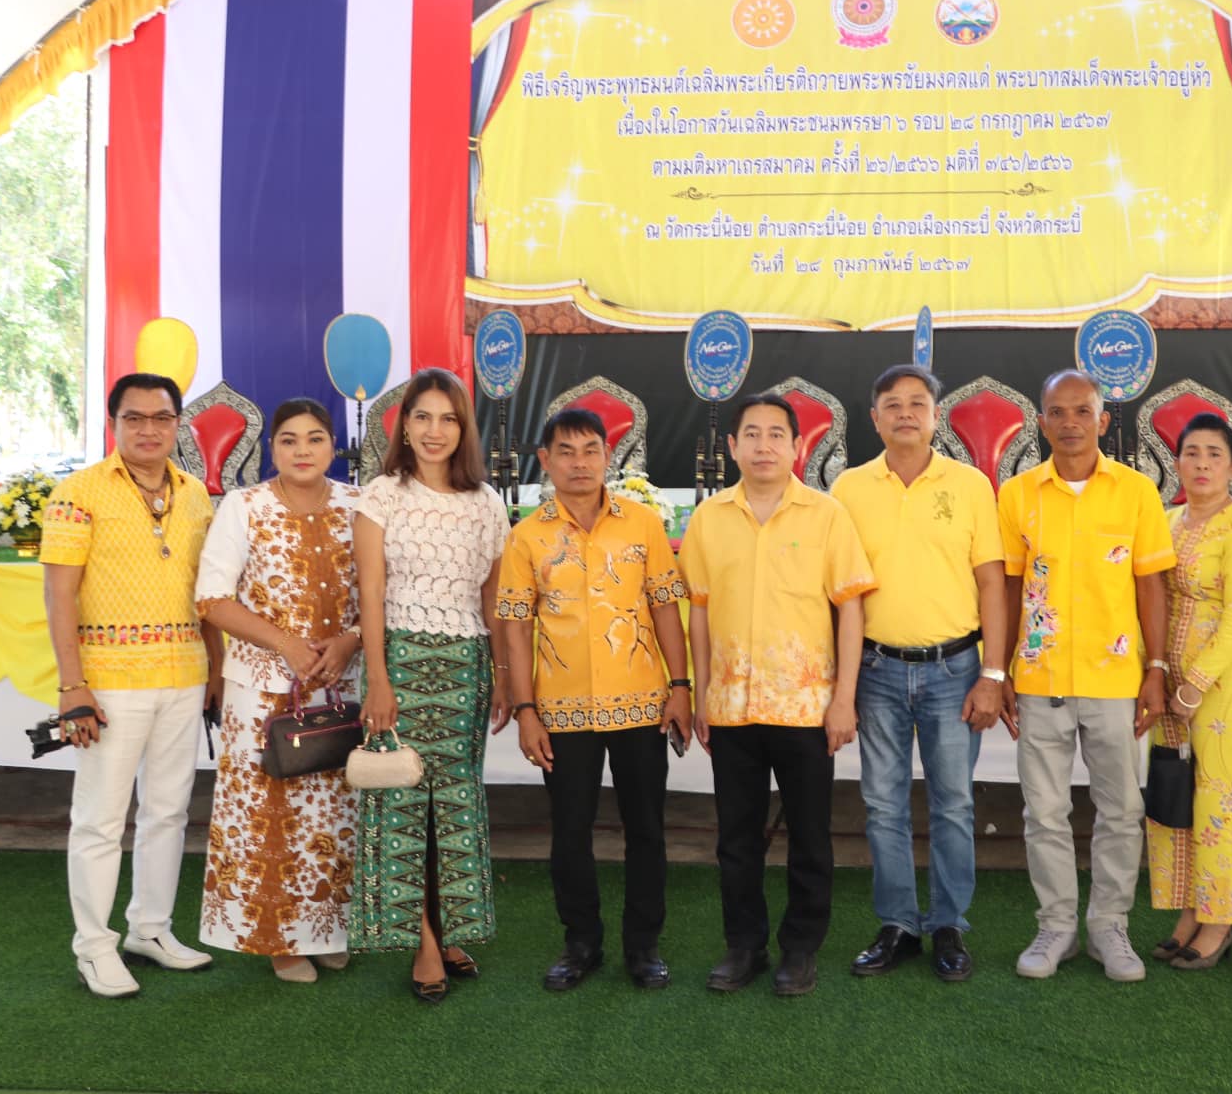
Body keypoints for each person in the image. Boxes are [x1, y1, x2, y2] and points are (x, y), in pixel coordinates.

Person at [681, 393, 876, 997]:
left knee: (811, 838)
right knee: (735, 838)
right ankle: (744, 946)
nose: (763, 445)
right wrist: (701, 693)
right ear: (731, 446)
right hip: (732, 709)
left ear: (797, 446)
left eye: (776, 434)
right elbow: (701, 614)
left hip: (805, 708)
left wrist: (844, 699)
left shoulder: (826, 515)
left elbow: (851, 610)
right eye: (751, 434)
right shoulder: (710, 518)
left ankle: (800, 948)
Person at [497, 407, 691, 992]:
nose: (578, 462)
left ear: (608, 456)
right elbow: (514, 624)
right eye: (566, 451)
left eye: (589, 450)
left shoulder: (643, 524)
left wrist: (679, 688)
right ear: (545, 461)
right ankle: (580, 942)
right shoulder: (527, 536)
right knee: (570, 831)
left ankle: (643, 944)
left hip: (642, 704)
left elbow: (664, 607)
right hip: (562, 712)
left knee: (647, 829)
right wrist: (526, 711)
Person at [42, 372, 221, 998]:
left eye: (162, 417)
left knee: (169, 811)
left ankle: (150, 927)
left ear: (178, 423)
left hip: (184, 676)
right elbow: (58, 594)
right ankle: (93, 947)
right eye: (135, 418)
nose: (149, 429)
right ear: (113, 422)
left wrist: (215, 671)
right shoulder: (77, 493)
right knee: (99, 818)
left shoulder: (197, 494)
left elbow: (209, 593)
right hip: (107, 683)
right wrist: (72, 689)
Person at [831, 365, 1010, 983]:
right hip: (876, 670)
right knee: (882, 805)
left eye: (917, 403)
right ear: (874, 417)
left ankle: (949, 925)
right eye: (891, 404)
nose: (905, 413)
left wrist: (993, 672)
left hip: (955, 670)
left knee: (954, 804)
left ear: (937, 416)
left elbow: (992, 582)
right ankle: (899, 923)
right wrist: (843, 683)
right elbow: (839, 593)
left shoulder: (970, 486)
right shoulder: (848, 489)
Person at [1000, 369, 1174, 984]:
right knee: (1043, 813)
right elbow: (1011, 586)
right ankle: (1056, 927)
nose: (1069, 422)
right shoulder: (1017, 494)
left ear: (1103, 421)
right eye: (1056, 411)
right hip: (1040, 677)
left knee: (1121, 811)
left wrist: (1155, 669)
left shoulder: (1135, 493)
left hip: (1117, 679)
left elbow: (1151, 583)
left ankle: (1109, 927)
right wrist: (1000, 671)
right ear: (1041, 422)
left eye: (1082, 411)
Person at [352, 367, 513, 1003]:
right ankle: (421, 940)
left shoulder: (487, 503)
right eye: (422, 417)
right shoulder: (381, 495)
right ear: (404, 425)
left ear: (463, 428)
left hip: (468, 666)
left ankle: (447, 929)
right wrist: (379, 678)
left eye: (448, 418)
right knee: (402, 801)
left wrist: (500, 675)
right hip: (402, 663)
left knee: (454, 805)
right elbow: (368, 592)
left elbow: (493, 599)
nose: (434, 430)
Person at [196, 398, 364, 982]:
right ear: (272, 448)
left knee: (332, 811)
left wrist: (350, 640)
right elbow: (212, 600)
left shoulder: (356, 504)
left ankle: (326, 929)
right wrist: (286, 645)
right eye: (288, 439)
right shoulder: (244, 507)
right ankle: (277, 938)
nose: (302, 450)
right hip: (262, 689)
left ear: (332, 446)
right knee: (269, 815)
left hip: (336, 685)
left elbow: (379, 595)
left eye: (315, 438)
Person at [1143, 413, 1232, 971]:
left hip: (1226, 680)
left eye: (1214, 454)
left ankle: (1222, 917)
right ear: (1176, 461)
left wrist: (1196, 683)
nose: (1201, 464)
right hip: (1168, 680)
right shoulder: (1166, 521)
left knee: (1220, 796)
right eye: (1191, 453)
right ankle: (1188, 910)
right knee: (1176, 794)